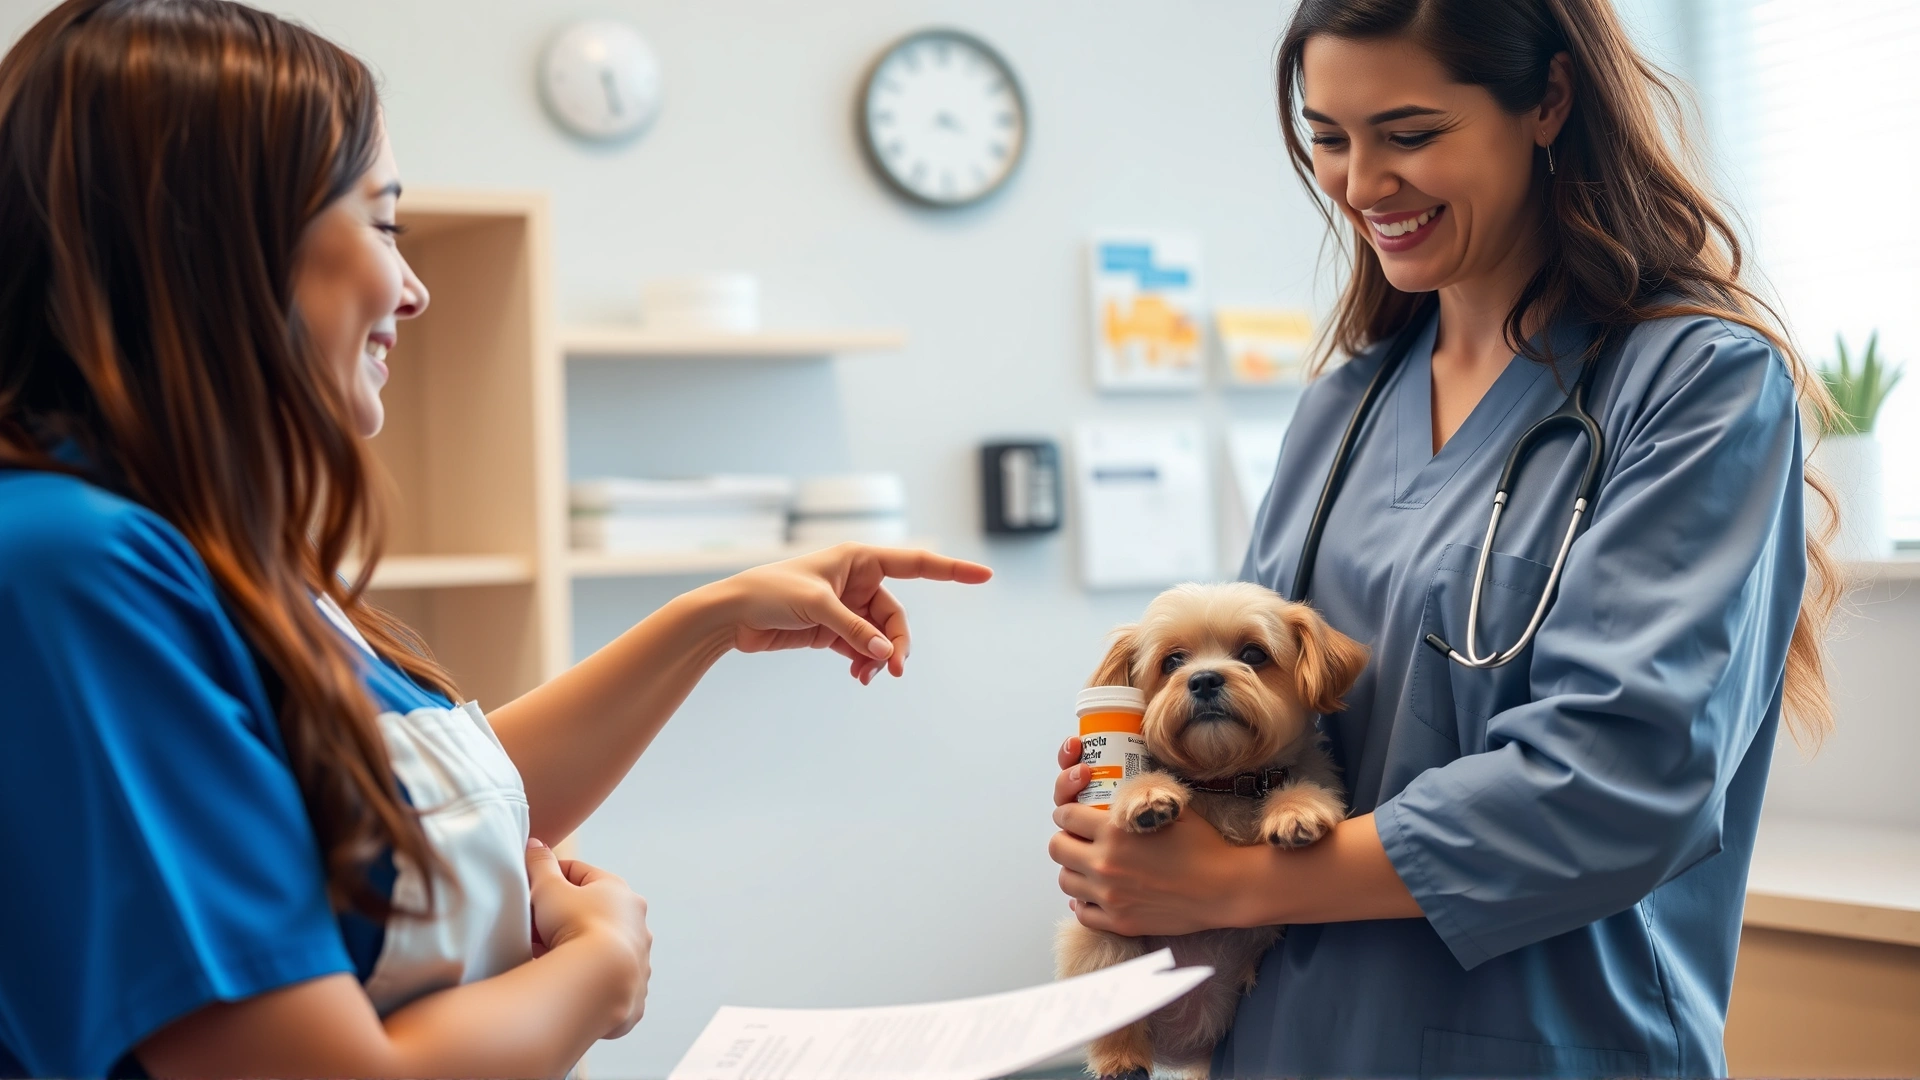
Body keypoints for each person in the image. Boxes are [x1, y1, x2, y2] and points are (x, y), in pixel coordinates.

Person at [0, 2, 990, 1077]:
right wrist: (595, 975)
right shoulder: (70, 567)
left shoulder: (197, 552)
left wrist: (711, 617)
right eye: (383, 224)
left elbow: (418, 819)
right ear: (214, 243)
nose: (414, 289)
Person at [1046, 0, 1840, 1076]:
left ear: (1549, 101)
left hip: (1543, 1040)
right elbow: (1285, 715)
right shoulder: (1343, 408)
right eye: (1329, 138)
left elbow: (1618, 777)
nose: (1362, 184)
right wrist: (1157, 799)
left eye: (1410, 134)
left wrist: (1230, 880)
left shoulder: (1700, 383)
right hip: (1288, 1045)